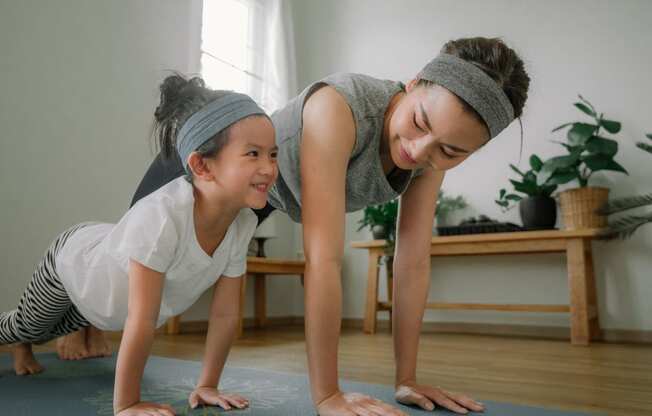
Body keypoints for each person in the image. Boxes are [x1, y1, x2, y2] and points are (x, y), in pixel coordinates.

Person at [63, 36, 530, 415]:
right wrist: (327, 395)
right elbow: (323, 259)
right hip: (211, 177)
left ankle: (87, 325)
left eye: (450, 151)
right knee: (120, 267)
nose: (420, 151)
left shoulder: (430, 154)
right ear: (412, 85)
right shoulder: (341, 107)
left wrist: (406, 380)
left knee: (161, 284)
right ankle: (75, 317)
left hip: (263, 199)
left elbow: (411, 262)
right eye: (419, 122)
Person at [1, 75, 278, 415]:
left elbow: (225, 314)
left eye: (273, 154)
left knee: (59, 326)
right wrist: (128, 403)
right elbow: (142, 319)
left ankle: (26, 341)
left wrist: (207, 384)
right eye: (253, 153)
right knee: (29, 325)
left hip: (104, 291)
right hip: (71, 263)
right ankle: (20, 339)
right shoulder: (162, 216)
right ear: (202, 165)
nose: (269, 168)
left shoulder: (242, 223)